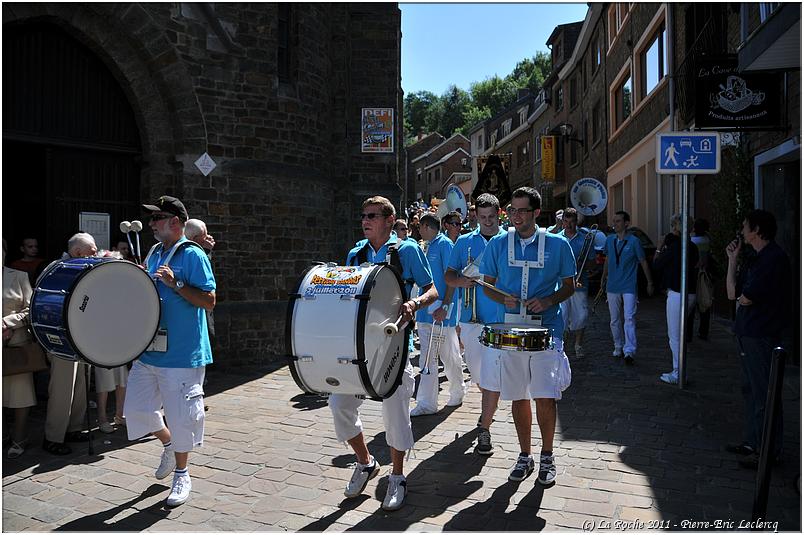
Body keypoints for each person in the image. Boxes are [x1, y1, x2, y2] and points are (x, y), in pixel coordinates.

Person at [329, 196, 437, 511]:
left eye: (372, 215)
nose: (365, 220)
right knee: (339, 403)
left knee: (395, 412)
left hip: (397, 344)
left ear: (389, 220)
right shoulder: (355, 253)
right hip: (359, 345)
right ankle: (365, 462)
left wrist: (415, 303)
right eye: (363, 215)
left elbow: (432, 289)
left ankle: (398, 477)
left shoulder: (408, 250)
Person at [124, 195, 216, 507]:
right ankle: (168, 444)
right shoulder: (153, 252)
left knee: (181, 417)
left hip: (181, 352)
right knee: (135, 410)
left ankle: (182, 473)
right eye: (150, 219)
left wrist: (177, 284)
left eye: (157, 218)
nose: (151, 224)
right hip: (149, 349)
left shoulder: (192, 254)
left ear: (174, 222)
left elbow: (209, 300)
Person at [480, 187, 574, 485]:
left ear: (536, 213)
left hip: (547, 329)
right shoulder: (497, 244)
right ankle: (524, 454)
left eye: (522, 211)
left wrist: (549, 301)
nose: (515, 216)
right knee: (517, 395)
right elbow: (486, 285)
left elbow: (570, 286)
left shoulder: (558, 245)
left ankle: (547, 455)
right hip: (510, 330)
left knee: (545, 395)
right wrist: (501, 298)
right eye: (513, 210)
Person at [725, 210, 790, 469]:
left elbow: (747, 297)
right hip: (747, 333)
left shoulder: (773, 259)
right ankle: (754, 443)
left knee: (765, 394)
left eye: (745, 226)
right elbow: (732, 294)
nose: (741, 231)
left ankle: (768, 451)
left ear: (757, 230)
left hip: (762, 335)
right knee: (750, 391)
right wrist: (732, 260)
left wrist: (743, 298)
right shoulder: (755, 258)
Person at [445, 193, 506, 455]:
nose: (488, 222)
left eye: (492, 217)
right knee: (480, 375)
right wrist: (461, 282)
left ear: (499, 213)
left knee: (492, 376)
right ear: (475, 216)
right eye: (482, 218)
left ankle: (485, 427)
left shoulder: (510, 240)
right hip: (471, 318)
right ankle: (488, 406)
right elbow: (449, 275)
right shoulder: (465, 242)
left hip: (502, 318)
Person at [41, 233, 97, 456]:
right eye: (92, 250)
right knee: (63, 389)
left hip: (81, 336)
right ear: (77, 252)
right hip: (62, 337)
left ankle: (74, 428)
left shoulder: (85, 265)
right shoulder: (57, 268)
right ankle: (53, 437)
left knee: (81, 385)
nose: (96, 252)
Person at [410, 213, 465, 417]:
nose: (419, 231)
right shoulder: (428, 245)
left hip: (441, 311)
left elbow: (452, 278)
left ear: (426, 226)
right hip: (426, 313)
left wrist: (446, 307)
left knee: (449, 356)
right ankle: (427, 403)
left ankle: (458, 391)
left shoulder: (444, 245)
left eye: (420, 228)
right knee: (428, 358)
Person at [600, 211, 654, 365]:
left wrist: (650, 282)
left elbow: (643, 261)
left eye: (618, 221)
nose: (614, 224)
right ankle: (618, 345)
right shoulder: (609, 240)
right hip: (612, 285)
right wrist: (603, 278)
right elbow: (608, 259)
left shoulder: (634, 241)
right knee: (614, 319)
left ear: (626, 223)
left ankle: (629, 349)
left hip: (629, 285)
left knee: (629, 318)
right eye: (614, 221)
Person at [653, 214, 699, 385]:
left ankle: (678, 371)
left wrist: (659, 247)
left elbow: (657, 265)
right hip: (690, 293)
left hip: (678, 294)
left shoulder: (675, 247)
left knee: (674, 335)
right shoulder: (692, 247)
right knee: (680, 333)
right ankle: (679, 369)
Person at [3, 240, 37, 459]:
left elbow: (30, 309)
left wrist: (7, 323)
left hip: (15, 345)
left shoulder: (18, 276)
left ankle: (19, 437)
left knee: (19, 396)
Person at [558, 208, 595, 358]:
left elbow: (592, 262)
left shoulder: (585, 237)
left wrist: (583, 265)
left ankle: (578, 344)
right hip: (561, 285)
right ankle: (562, 345)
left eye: (572, 222)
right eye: (566, 221)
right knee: (562, 317)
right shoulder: (557, 238)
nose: (568, 225)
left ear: (576, 221)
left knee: (582, 316)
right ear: (562, 222)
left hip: (580, 284)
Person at [689, 218, 712, 341]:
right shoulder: (707, 240)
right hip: (705, 273)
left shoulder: (692, 241)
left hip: (693, 274)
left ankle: (688, 333)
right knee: (704, 302)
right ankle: (703, 332)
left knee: (691, 304)